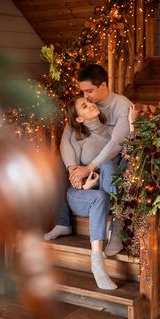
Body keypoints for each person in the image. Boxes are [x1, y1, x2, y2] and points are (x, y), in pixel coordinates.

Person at [44, 64, 132, 255]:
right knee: (57, 162)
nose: (86, 97)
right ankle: (63, 222)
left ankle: (117, 223)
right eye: (83, 91)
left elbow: (116, 142)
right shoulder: (83, 106)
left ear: (103, 85)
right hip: (88, 166)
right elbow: (66, 139)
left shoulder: (121, 105)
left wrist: (90, 167)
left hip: (114, 160)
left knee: (120, 160)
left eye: (89, 91)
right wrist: (72, 168)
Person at [52, 96, 123, 289]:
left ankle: (116, 222)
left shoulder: (112, 132)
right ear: (80, 119)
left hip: (105, 187)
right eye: (85, 106)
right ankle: (98, 264)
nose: (91, 104)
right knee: (98, 197)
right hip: (81, 193)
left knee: (108, 165)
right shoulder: (76, 137)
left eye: (89, 101)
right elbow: (74, 176)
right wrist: (84, 185)